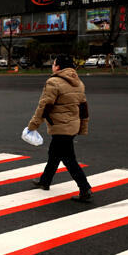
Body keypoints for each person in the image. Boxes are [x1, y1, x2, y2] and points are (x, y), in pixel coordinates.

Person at [27, 54, 92, 202]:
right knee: (54, 154)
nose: (52, 66)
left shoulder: (53, 82)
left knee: (68, 158)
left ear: (58, 67)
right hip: (72, 126)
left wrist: (33, 125)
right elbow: (83, 108)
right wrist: (83, 127)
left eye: (54, 63)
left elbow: (45, 106)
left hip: (61, 127)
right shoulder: (79, 83)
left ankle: (84, 188)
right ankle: (45, 181)